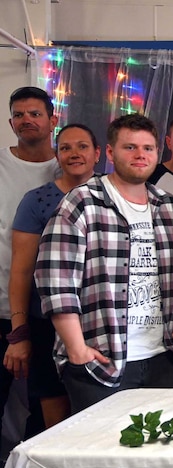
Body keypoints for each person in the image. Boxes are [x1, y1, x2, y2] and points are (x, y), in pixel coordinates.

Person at [35, 113, 173, 413]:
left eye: (148, 148)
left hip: (161, 355)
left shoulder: (168, 207)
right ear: (109, 152)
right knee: (102, 455)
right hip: (101, 359)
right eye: (130, 147)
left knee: (157, 453)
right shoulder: (82, 201)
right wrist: (76, 348)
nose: (140, 155)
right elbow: (55, 280)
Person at [6, 124, 98, 429]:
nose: (74, 153)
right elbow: (20, 271)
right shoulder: (37, 200)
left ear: (98, 154)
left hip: (99, 322)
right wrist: (19, 334)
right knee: (54, 418)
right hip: (46, 321)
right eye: (66, 148)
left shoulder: (112, 195)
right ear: (57, 155)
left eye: (82, 146)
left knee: (98, 414)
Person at [1, 87, 60, 440]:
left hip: (46, 312)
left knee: (43, 404)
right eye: (19, 115)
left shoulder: (69, 166)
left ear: (52, 121)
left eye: (35, 113)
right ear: (11, 123)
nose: (27, 120)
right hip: (3, 305)